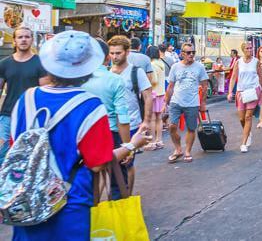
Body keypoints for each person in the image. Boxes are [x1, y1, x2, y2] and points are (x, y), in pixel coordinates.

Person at [7, 30, 151, 240]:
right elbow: (98, 163)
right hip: (68, 201)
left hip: (27, 198)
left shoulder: (26, 98)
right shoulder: (89, 105)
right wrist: (131, 145)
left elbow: (17, 146)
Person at [107, 35, 152, 193]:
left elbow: (147, 95)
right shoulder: (107, 72)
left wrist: (146, 121)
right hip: (110, 126)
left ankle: (128, 195)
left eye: (118, 53)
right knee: (111, 162)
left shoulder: (135, 72)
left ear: (126, 52)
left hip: (131, 124)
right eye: (112, 53)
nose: (114, 56)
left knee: (127, 162)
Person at [0, 27, 48, 165]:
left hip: (32, 115)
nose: (23, 40)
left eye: (27, 37)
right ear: (14, 41)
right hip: (7, 115)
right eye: (20, 37)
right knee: (2, 152)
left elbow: (43, 92)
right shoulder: (5, 64)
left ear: (32, 40)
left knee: (28, 153)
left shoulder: (40, 63)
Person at [166, 42, 209, 163]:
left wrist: (203, 103)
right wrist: (166, 102)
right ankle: (178, 149)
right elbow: (170, 86)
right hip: (176, 101)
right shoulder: (175, 67)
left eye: (193, 52)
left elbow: (205, 86)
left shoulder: (199, 67)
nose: (191, 55)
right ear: (182, 54)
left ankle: (187, 151)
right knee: (172, 127)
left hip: (192, 103)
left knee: (191, 128)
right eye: (188, 52)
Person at [228, 42, 262, 152]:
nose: (249, 50)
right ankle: (248, 133)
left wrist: (261, 90)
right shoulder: (238, 62)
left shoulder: (256, 61)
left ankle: (244, 143)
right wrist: (230, 92)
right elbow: (233, 77)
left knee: (248, 117)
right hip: (241, 92)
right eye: (247, 48)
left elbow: (260, 76)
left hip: (253, 91)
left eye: (251, 48)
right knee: (241, 118)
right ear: (243, 50)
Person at [145, 46, 167, 150]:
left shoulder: (152, 65)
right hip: (161, 93)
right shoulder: (161, 64)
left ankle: (152, 142)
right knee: (159, 118)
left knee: (152, 119)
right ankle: (159, 140)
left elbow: (154, 80)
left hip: (154, 94)